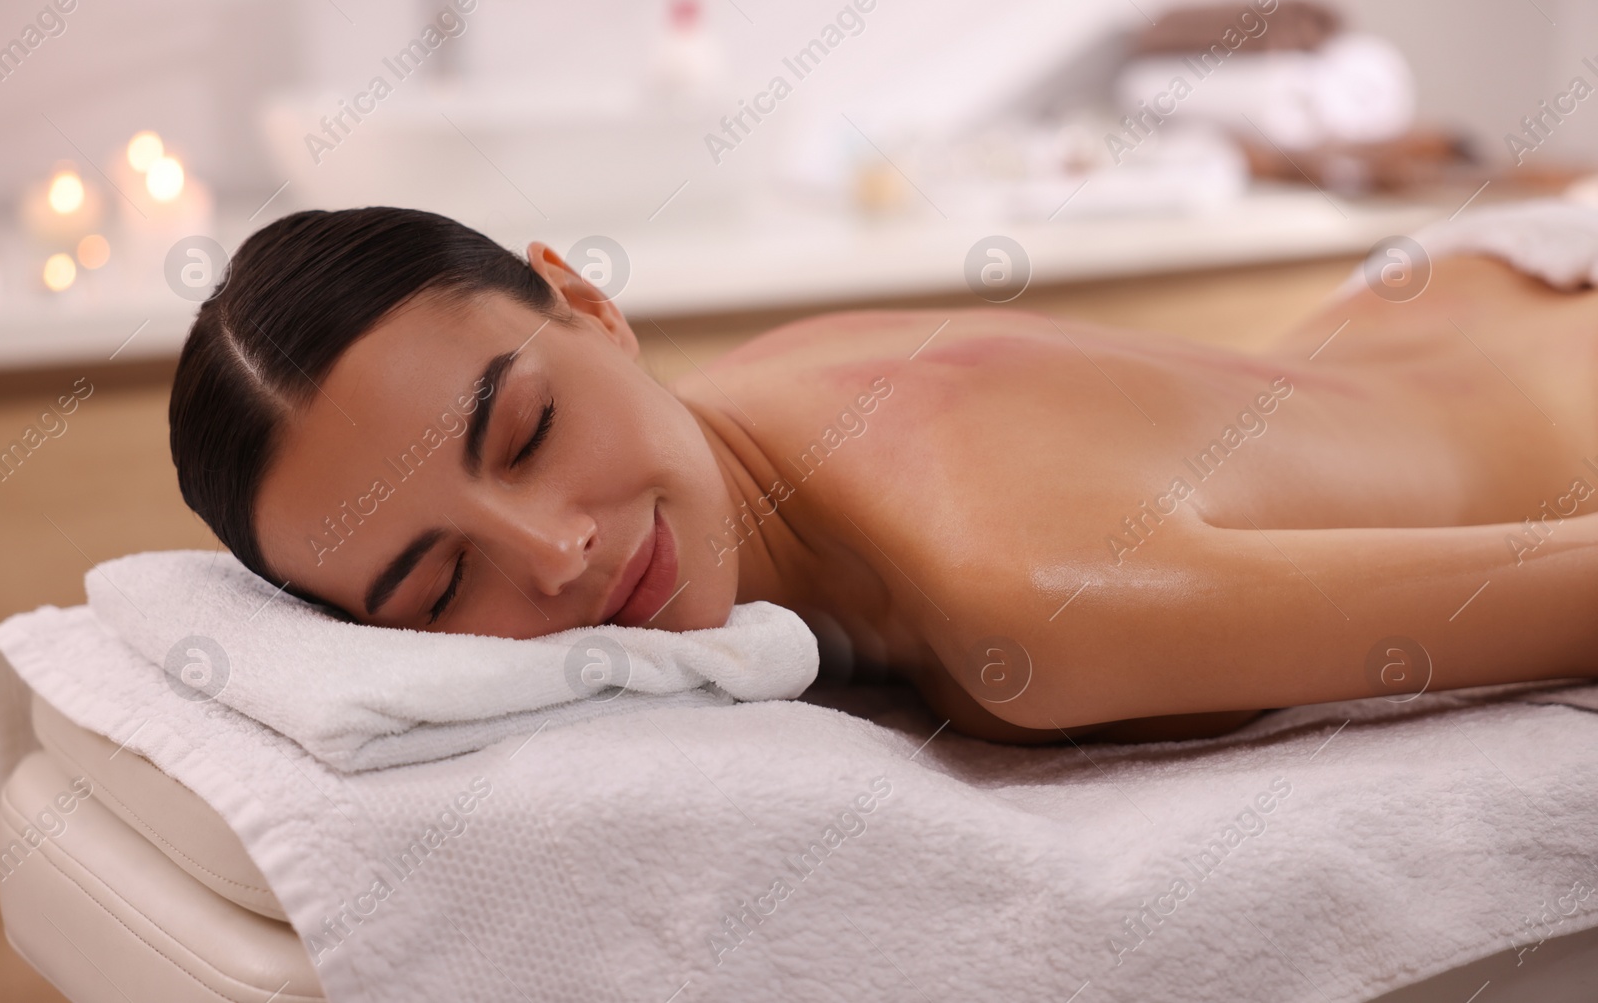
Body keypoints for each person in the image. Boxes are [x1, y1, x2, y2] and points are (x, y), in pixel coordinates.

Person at [169, 206, 1598, 744]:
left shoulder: (1028, 606)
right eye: (436, 587)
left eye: (528, 433)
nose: (555, 557)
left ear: (586, 299)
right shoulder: (741, 418)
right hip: (1439, 288)